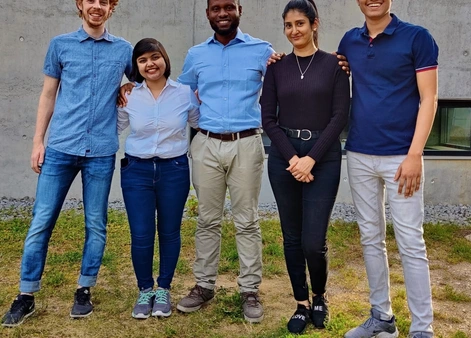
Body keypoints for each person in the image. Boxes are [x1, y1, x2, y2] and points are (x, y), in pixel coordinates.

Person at [1, 0, 132, 327]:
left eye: (104, 1)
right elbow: (48, 94)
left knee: (95, 224)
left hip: (101, 150)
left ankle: (84, 289)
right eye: (91, 0)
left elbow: (148, 74)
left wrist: (131, 85)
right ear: (80, 4)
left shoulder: (123, 51)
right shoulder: (60, 45)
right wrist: (37, 141)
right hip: (60, 147)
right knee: (41, 220)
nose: (97, 6)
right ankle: (26, 295)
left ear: (111, 7)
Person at [338, 1, 439, 338]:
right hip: (359, 154)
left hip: (401, 158)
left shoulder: (416, 38)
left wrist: (414, 154)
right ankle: (382, 316)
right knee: (370, 238)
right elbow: (331, 75)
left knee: (410, 240)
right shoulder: (349, 41)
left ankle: (422, 328)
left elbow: (429, 99)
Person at [173, 0, 274, 324]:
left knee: (246, 220)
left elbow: (286, 80)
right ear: (208, 14)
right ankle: (204, 285)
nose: (222, 13)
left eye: (228, 6)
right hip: (206, 144)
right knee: (207, 219)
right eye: (216, 8)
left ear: (239, 10)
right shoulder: (196, 55)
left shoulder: (262, 50)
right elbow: (183, 91)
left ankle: (250, 290)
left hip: (246, 144)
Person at [260, 0, 349, 334]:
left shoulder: (335, 66)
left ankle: (320, 294)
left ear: (314, 24)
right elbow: (268, 118)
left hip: (322, 158)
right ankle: (301, 303)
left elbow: (340, 116)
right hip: (285, 157)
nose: (293, 30)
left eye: (300, 23)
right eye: (288, 25)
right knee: (292, 237)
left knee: (314, 240)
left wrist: (311, 157)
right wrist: (293, 158)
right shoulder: (277, 68)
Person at [117, 38, 199, 319]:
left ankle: (163, 288)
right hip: (136, 171)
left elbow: (200, 123)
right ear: (136, 67)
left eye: (154, 57)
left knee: (169, 232)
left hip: (173, 171)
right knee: (140, 234)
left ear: (164, 59)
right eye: (142, 60)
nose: (150, 64)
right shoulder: (129, 96)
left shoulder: (184, 93)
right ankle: (144, 290)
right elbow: (115, 126)